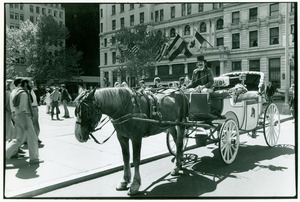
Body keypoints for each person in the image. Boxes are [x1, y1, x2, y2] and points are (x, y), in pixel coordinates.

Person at [6, 78, 44, 164]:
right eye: (29, 84)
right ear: (25, 84)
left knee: (19, 139)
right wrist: (26, 122)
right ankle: (34, 158)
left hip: (17, 116)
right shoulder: (23, 93)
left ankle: (5, 154)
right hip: (24, 116)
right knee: (32, 138)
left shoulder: (15, 91)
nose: (31, 85)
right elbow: (22, 109)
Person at [29, 80, 42, 145]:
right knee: (29, 124)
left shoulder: (35, 91)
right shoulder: (26, 91)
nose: (32, 84)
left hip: (35, 107)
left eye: (32, 83)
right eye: (30, 83)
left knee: (36, 123)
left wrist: (38, 103)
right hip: (29, 108)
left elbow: (38, 98)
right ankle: (27, 138)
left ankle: (36, 137)